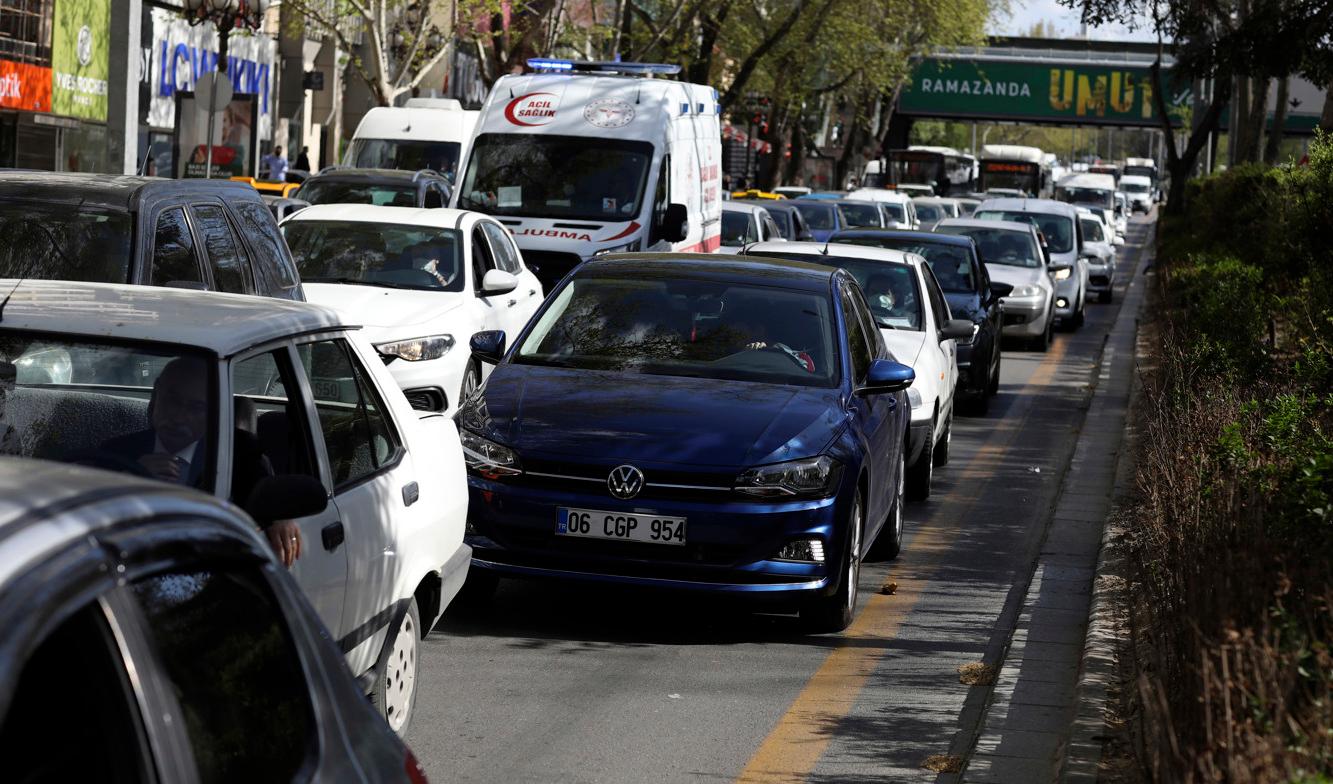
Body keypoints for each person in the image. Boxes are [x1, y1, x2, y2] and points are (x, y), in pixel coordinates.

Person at [98, 357, 303, 565]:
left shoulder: (240, 453)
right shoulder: (117, 453)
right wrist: (131, 478)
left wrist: (280, 519)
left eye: (195, 407)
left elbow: (269, 494)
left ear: (214, 411)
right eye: (172, 400)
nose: (178, 416)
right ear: (155, 395)